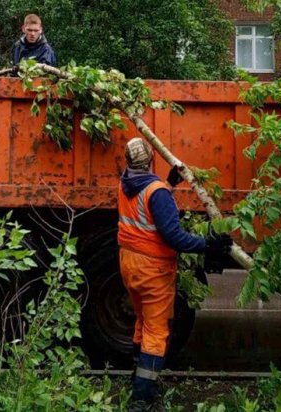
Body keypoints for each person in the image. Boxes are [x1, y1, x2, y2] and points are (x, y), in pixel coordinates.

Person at [118, 137, 233, 411]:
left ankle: (138, 378)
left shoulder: (125, 184)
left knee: (142, 322)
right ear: (150, 160)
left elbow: (148, 210)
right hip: (152, 270)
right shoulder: (155, 192)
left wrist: (169, 185)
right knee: (156, 332)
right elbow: (174, 237)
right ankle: (142, 398)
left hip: (129, 265)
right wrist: (210, 246)